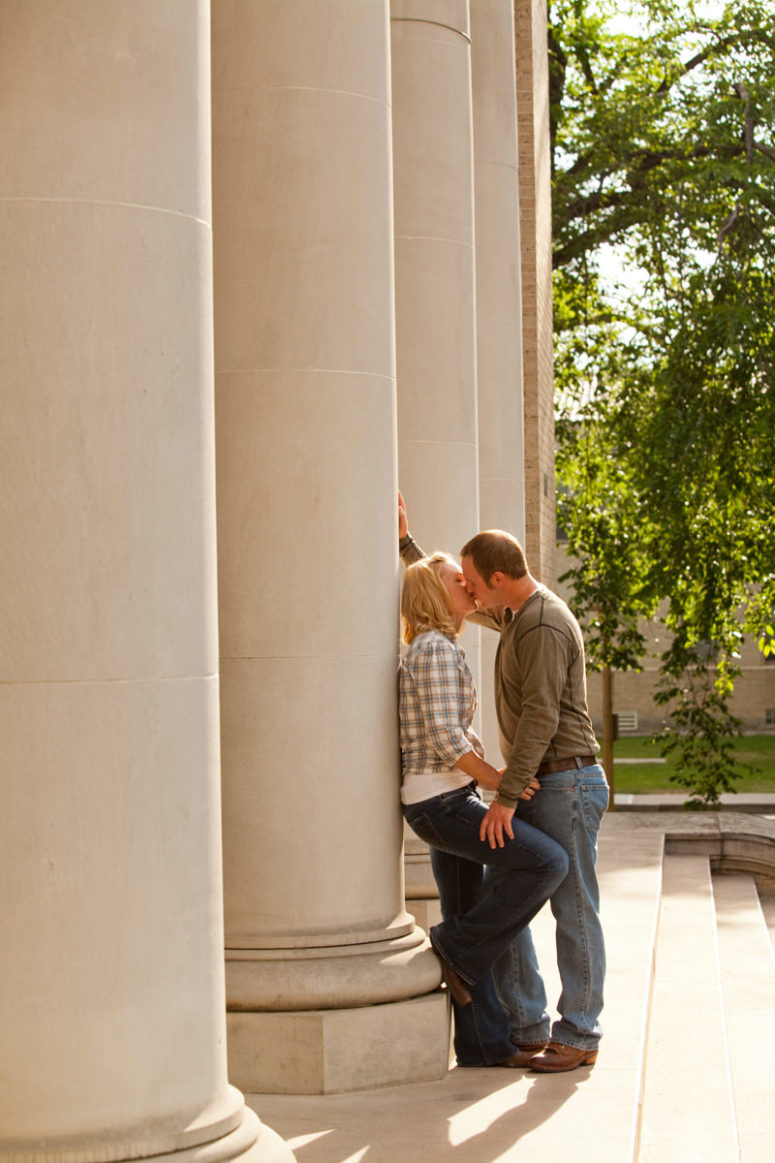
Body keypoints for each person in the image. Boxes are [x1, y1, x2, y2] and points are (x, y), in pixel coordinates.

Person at [399, 495, 608, 1073]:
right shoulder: (517, 612)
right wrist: (406, 548)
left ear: (494, 579)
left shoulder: (541, 623)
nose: (468, 592)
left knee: (572, 905)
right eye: (458, 583)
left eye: (472, 582)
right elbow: (443, 596)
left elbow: (541, 716)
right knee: (511, 891)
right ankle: (525, 1025)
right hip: (540, 780)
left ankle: (580, 1033)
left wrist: (505, 793)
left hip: (566, 781)